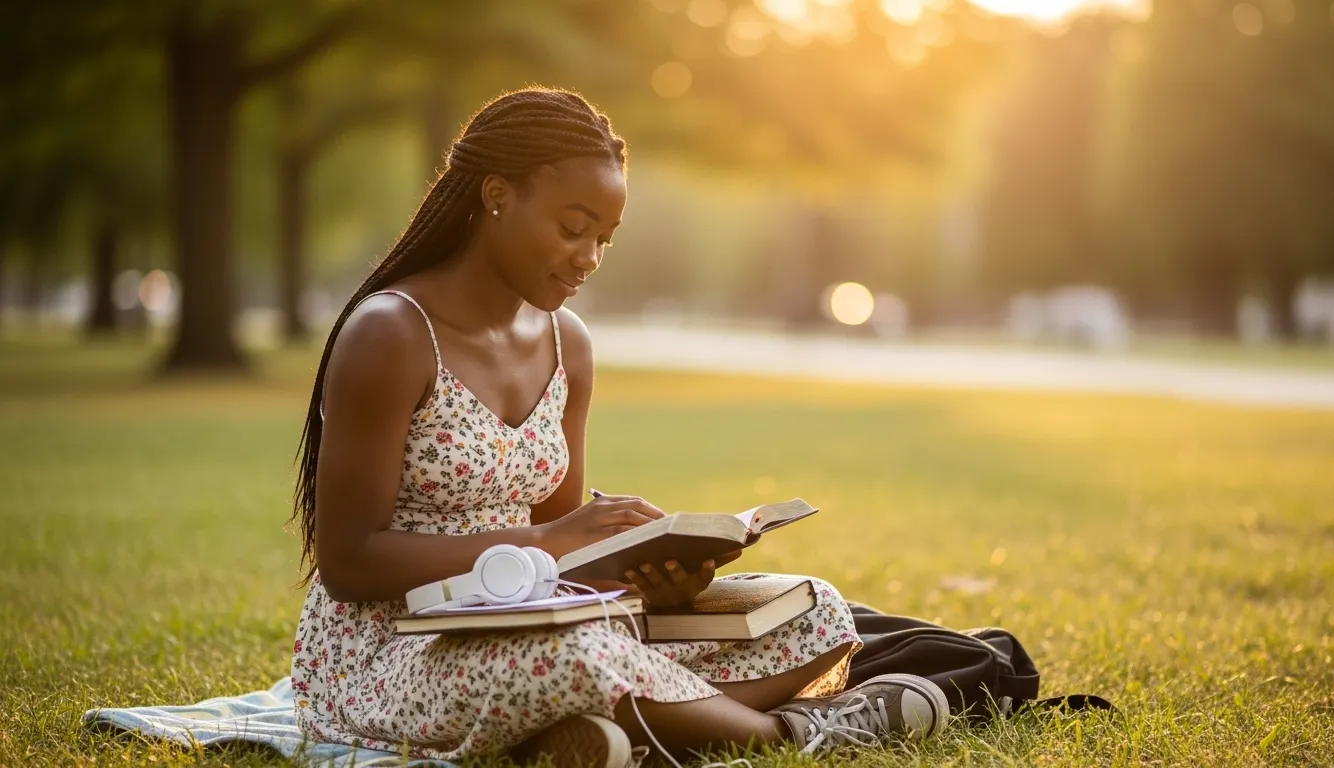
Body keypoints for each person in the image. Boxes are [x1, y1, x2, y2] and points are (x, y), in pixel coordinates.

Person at [287, 87, 949, 767]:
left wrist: (648, 576)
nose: (589, 257)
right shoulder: (391, 334)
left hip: (529, 624)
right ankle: (791, 734)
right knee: (572, 657)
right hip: (392, 650)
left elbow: (565, 567)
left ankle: (601, 735)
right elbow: (349, 561)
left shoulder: (566, 343)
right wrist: (544, 541)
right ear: (496, 195)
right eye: (572, 229)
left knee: (814, 613)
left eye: (603, 238)